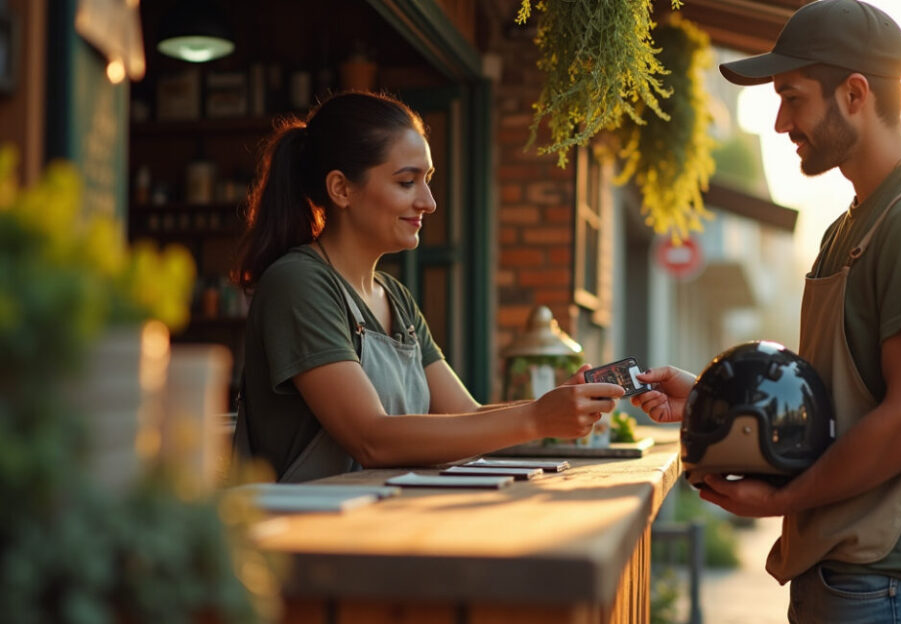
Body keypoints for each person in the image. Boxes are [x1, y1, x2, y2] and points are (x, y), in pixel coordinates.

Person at [632, 1, 901, 621]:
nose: (780, 123)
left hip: (891, 578)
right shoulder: (848, 227)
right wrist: (714, 401)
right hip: (847, 569)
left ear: (854, 94)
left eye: (792, 98)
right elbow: (833, 406)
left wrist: (783, 499)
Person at [230, 91, 624, 483]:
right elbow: (371, 439)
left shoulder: (395, 297)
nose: (429, 202)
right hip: (304, 521)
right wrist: (536, 418)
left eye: (427, 180)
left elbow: (467, 416)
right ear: (341, 189)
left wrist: (552, 405)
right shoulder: (298, 283)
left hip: (382, 513)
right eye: (407, 182)